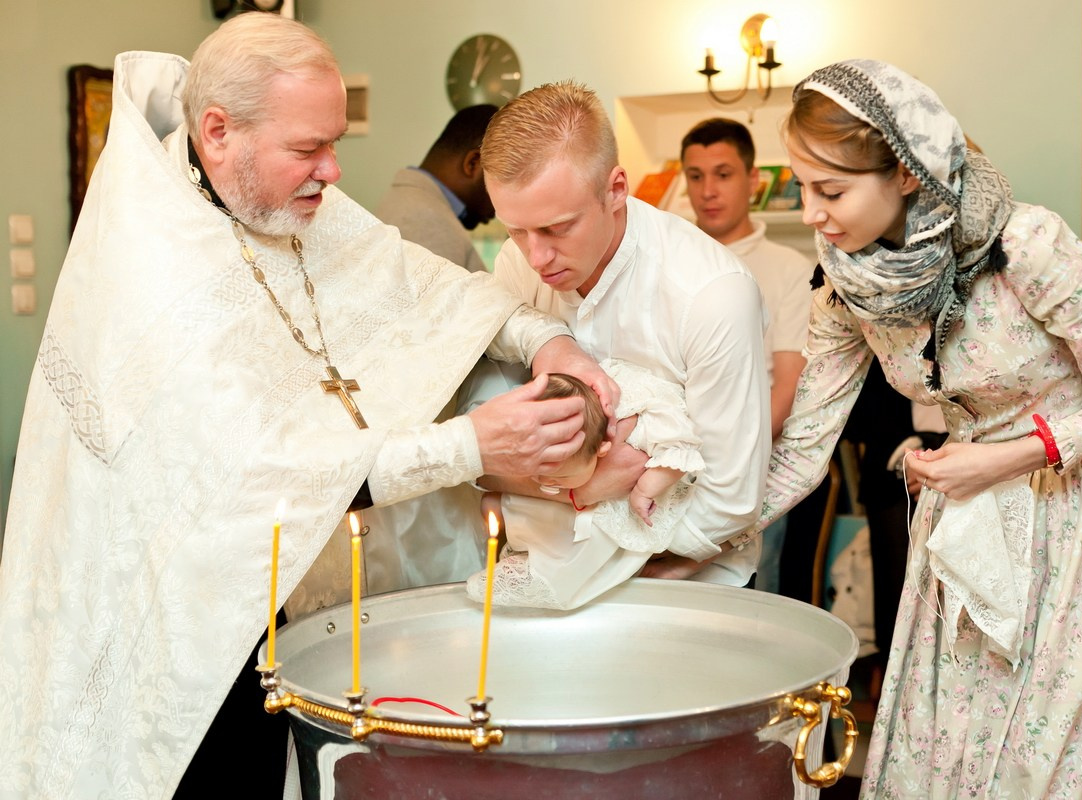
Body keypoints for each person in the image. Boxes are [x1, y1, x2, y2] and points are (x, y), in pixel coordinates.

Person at [0, 15, 618, 799]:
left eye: (335, 144)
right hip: (180, 627)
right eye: (307, 148)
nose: (331, 171)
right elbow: (244, 477)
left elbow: (429, 286)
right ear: (218, 131)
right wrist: (468, 449)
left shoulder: (292, 200)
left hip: (292, 599)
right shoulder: (146, 265)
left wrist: (542, 343)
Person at [760, 59, 1082, 796]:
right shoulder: (845, 287)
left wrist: (1007, 459)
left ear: (904, 172)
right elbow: (800, 453)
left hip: (1074, 519)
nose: (810, 213)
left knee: (1053, 757)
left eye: (829, 189)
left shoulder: (1023, 244)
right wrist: (684, 536)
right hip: (965, 524)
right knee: (957, 745)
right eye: (801, 186)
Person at [479, 81, 772, 587]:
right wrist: (586, 488)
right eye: (515, 230)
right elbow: (482, 457)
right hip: (540, 571)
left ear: (616, 189)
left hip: (681, 580)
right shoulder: (515, 265)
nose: (535, 256)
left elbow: (731, 499)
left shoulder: (712, 293)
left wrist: (564, 507)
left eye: (556, 228)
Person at [679, 117, 815, 593]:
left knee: (752, 596)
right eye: (695, 176)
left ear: (753, 179)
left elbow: (789, 383)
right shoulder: (673, 256)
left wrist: (734, 456)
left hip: (756, 462)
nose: (708, 190)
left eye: (723, 173)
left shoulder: (789, 267)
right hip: (666, 459)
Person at [467, 364, 704, 610]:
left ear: (600, 452)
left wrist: (644, 491)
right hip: (568, 501)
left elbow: (679, 453)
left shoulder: (640, 424)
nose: (543, 482)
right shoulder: (557, 439)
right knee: (508, 507)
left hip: (611, 506)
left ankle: (539, 577)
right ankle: (518, 540)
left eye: (558, 476)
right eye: (536, 472)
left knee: (576, 554)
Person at [375, 103, 498, 272]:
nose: (499, 208)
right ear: (473, 163)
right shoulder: (424, 221)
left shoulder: (407, 203)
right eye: (503, 178)